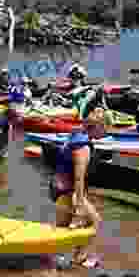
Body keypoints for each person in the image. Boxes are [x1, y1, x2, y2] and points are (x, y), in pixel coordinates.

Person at [51, 108, 106, 268]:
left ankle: (55, 261)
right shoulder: (83, 147)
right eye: (104, 128)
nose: (105, 132)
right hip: (68, 190)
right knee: (94, 221)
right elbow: (78, 177)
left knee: (62, 227)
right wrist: (80, 203)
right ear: (97, 127)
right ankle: (79, 257)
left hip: (58, 187)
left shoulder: (76, 134)